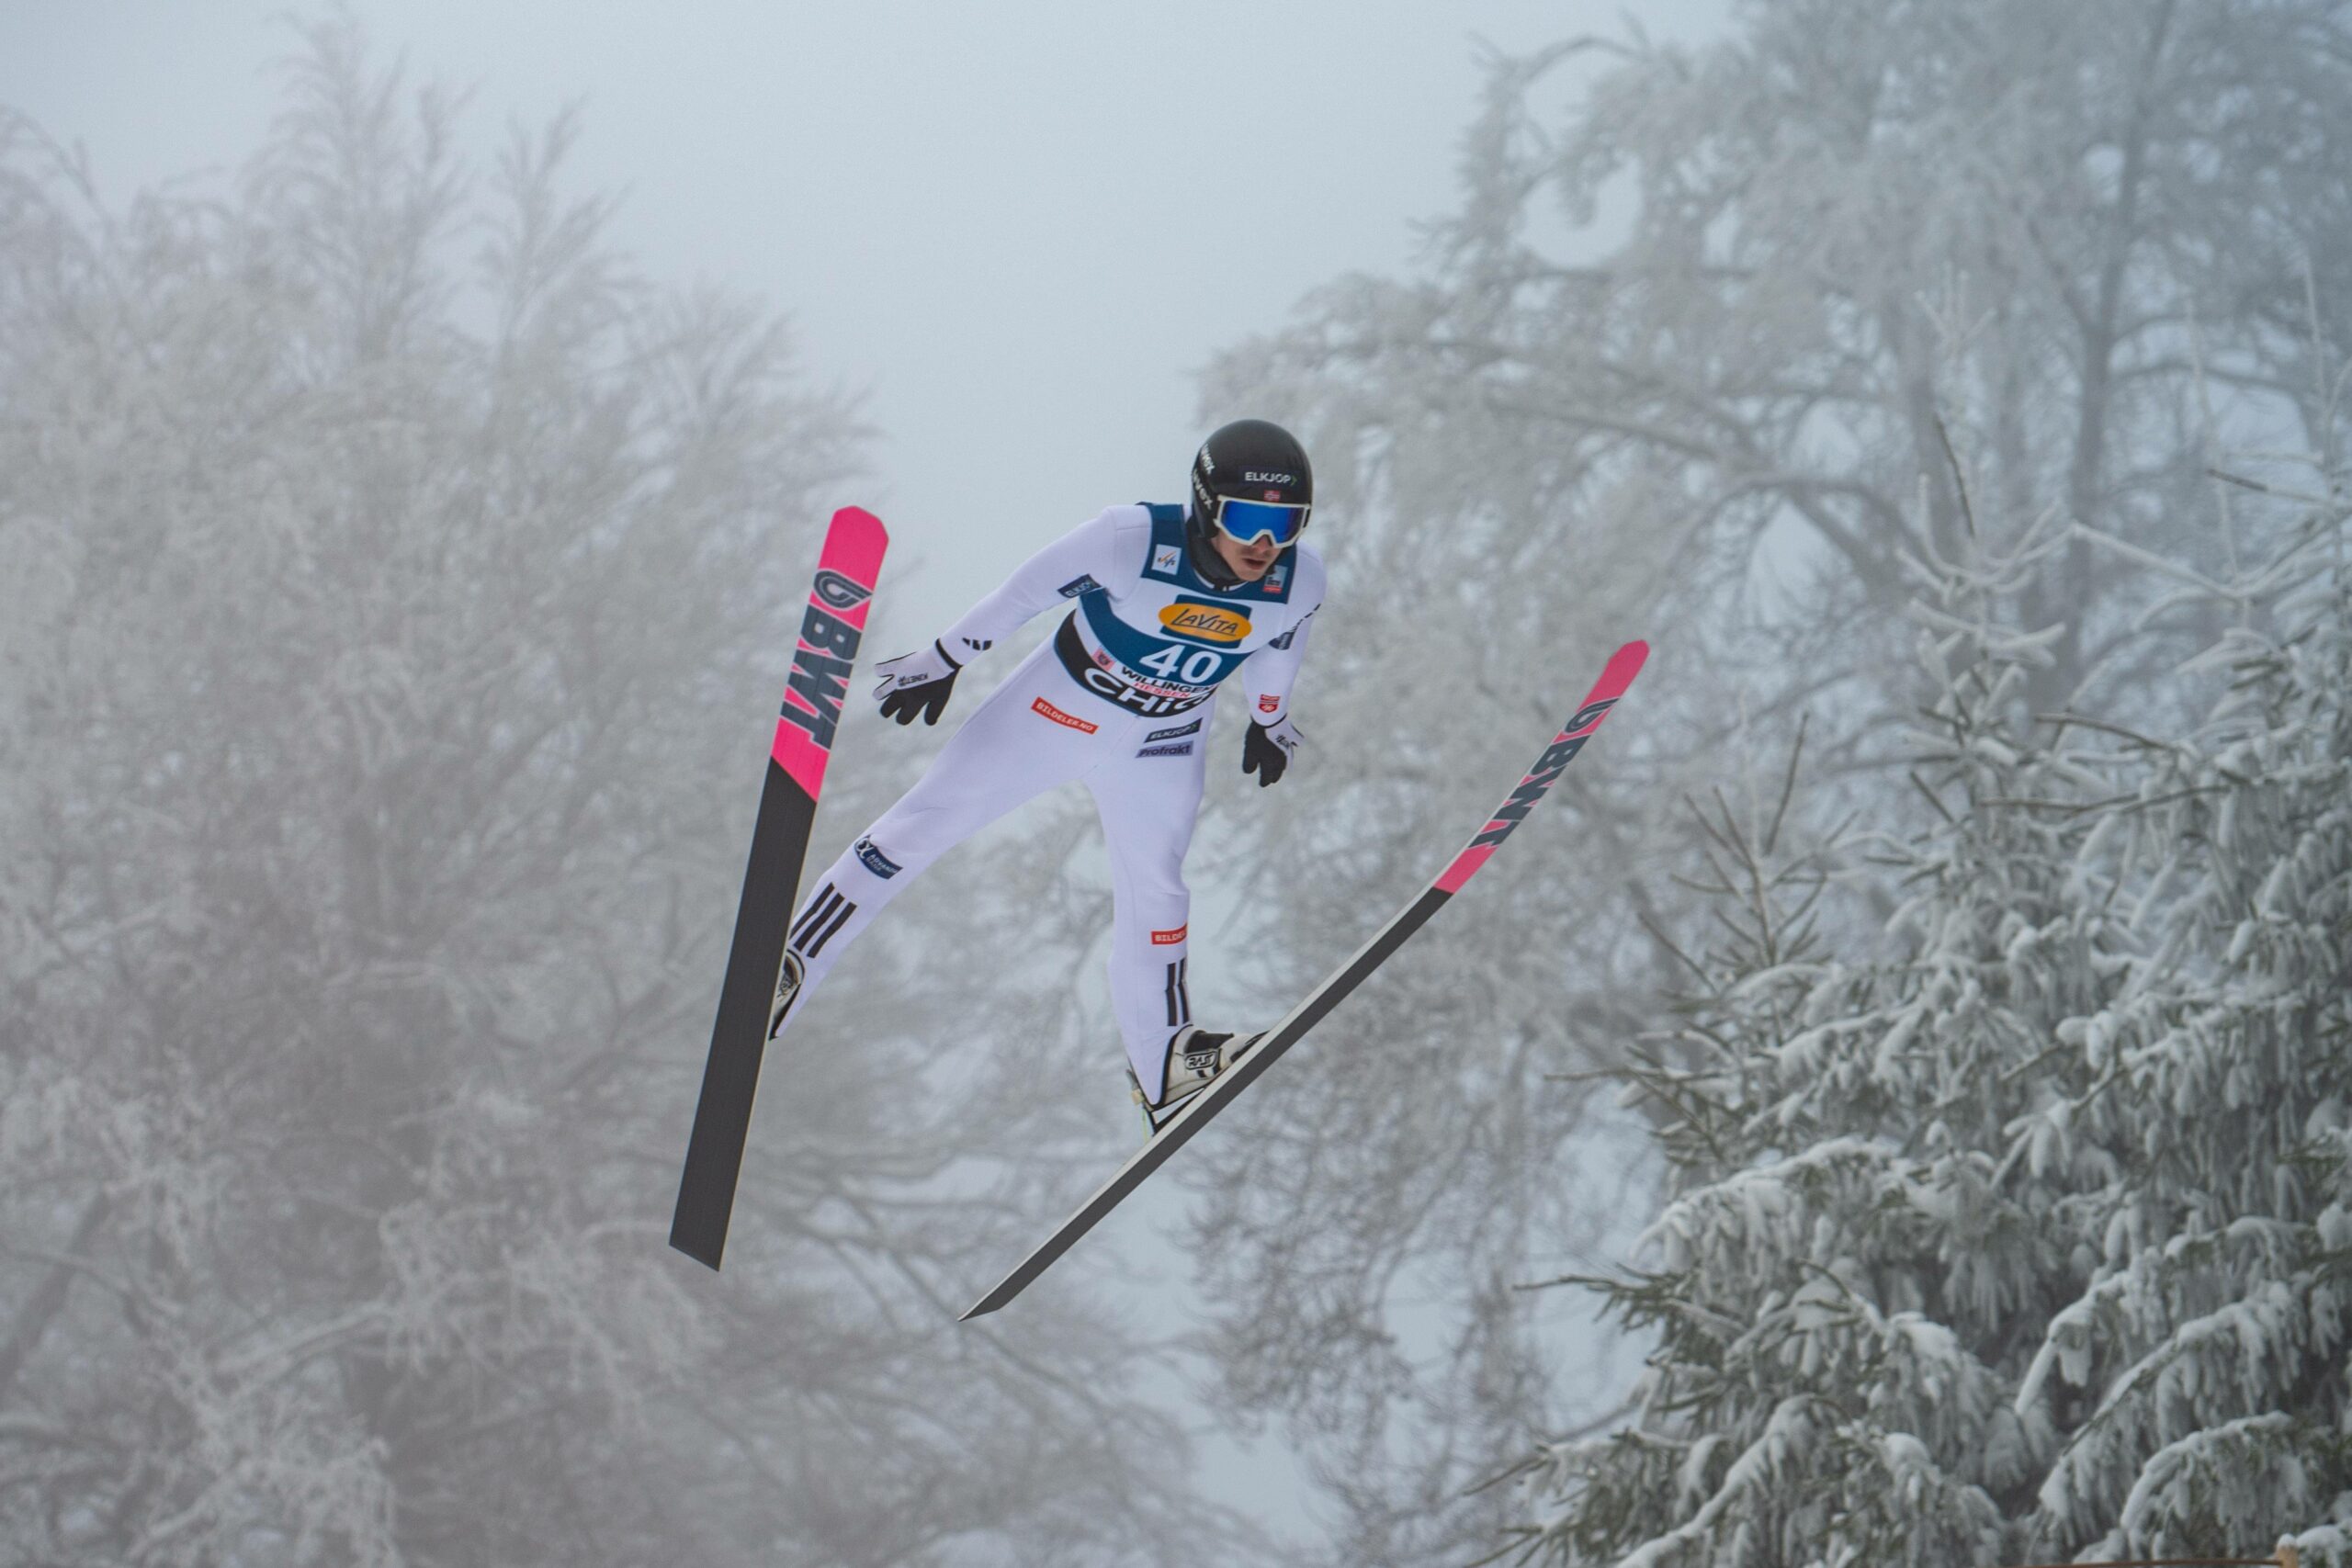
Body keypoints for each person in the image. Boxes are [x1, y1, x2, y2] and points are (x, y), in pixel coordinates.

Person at [767, 418, 1326, 1134]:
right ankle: (788, 967)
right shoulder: (1128, 541)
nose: (1265, 544)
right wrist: (946, 656)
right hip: (1055, 713)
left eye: (1287, 524)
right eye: (1249, 519)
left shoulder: (1298, 578)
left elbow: (1280, 646)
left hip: (1163, 739)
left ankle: (1166, 1063)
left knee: (1159, 888)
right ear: (1204, 503)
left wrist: (1268, 720)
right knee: (923, 822)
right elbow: (1021, 595)